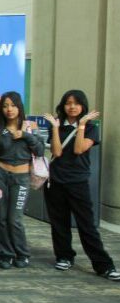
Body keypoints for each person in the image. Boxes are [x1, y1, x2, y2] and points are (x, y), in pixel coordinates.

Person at [43, 91, 119, 280]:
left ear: (83, 106)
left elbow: (78, 149)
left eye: (76, 103)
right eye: (68, 103)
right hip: (55, 181)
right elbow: (57, 153)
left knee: (87, 225)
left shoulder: (91, 128)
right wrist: (54, 128)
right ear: (63, 105)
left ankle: (104, 266)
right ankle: (64, 256)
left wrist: (82, 125)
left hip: (78, 183)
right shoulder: (58, 126)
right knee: (59, 223)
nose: (72, 107)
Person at [0, 91, 42, 269]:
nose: (9, 109)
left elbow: (40, 150)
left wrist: (26, 136)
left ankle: (22, 253)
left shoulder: (30, 126)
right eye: (5, 106)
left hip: (21, 178)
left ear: (19, 107)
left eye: (12, 105)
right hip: (0, 175)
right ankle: (7, 253)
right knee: (2, 218)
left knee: (15, 219)